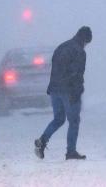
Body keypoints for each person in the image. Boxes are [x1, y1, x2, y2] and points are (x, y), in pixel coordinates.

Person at [34, 26, 92, 160]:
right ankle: (71, 151)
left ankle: (42, 140)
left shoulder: (61, 47)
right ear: (84, 39)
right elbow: (77, 74)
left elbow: (54, 68)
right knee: (74, 121)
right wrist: (77, 91)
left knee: (58, 119)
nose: (86, 46)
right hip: (69, 91)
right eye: (87, 43)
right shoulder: (79, 52)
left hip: (55, 89)